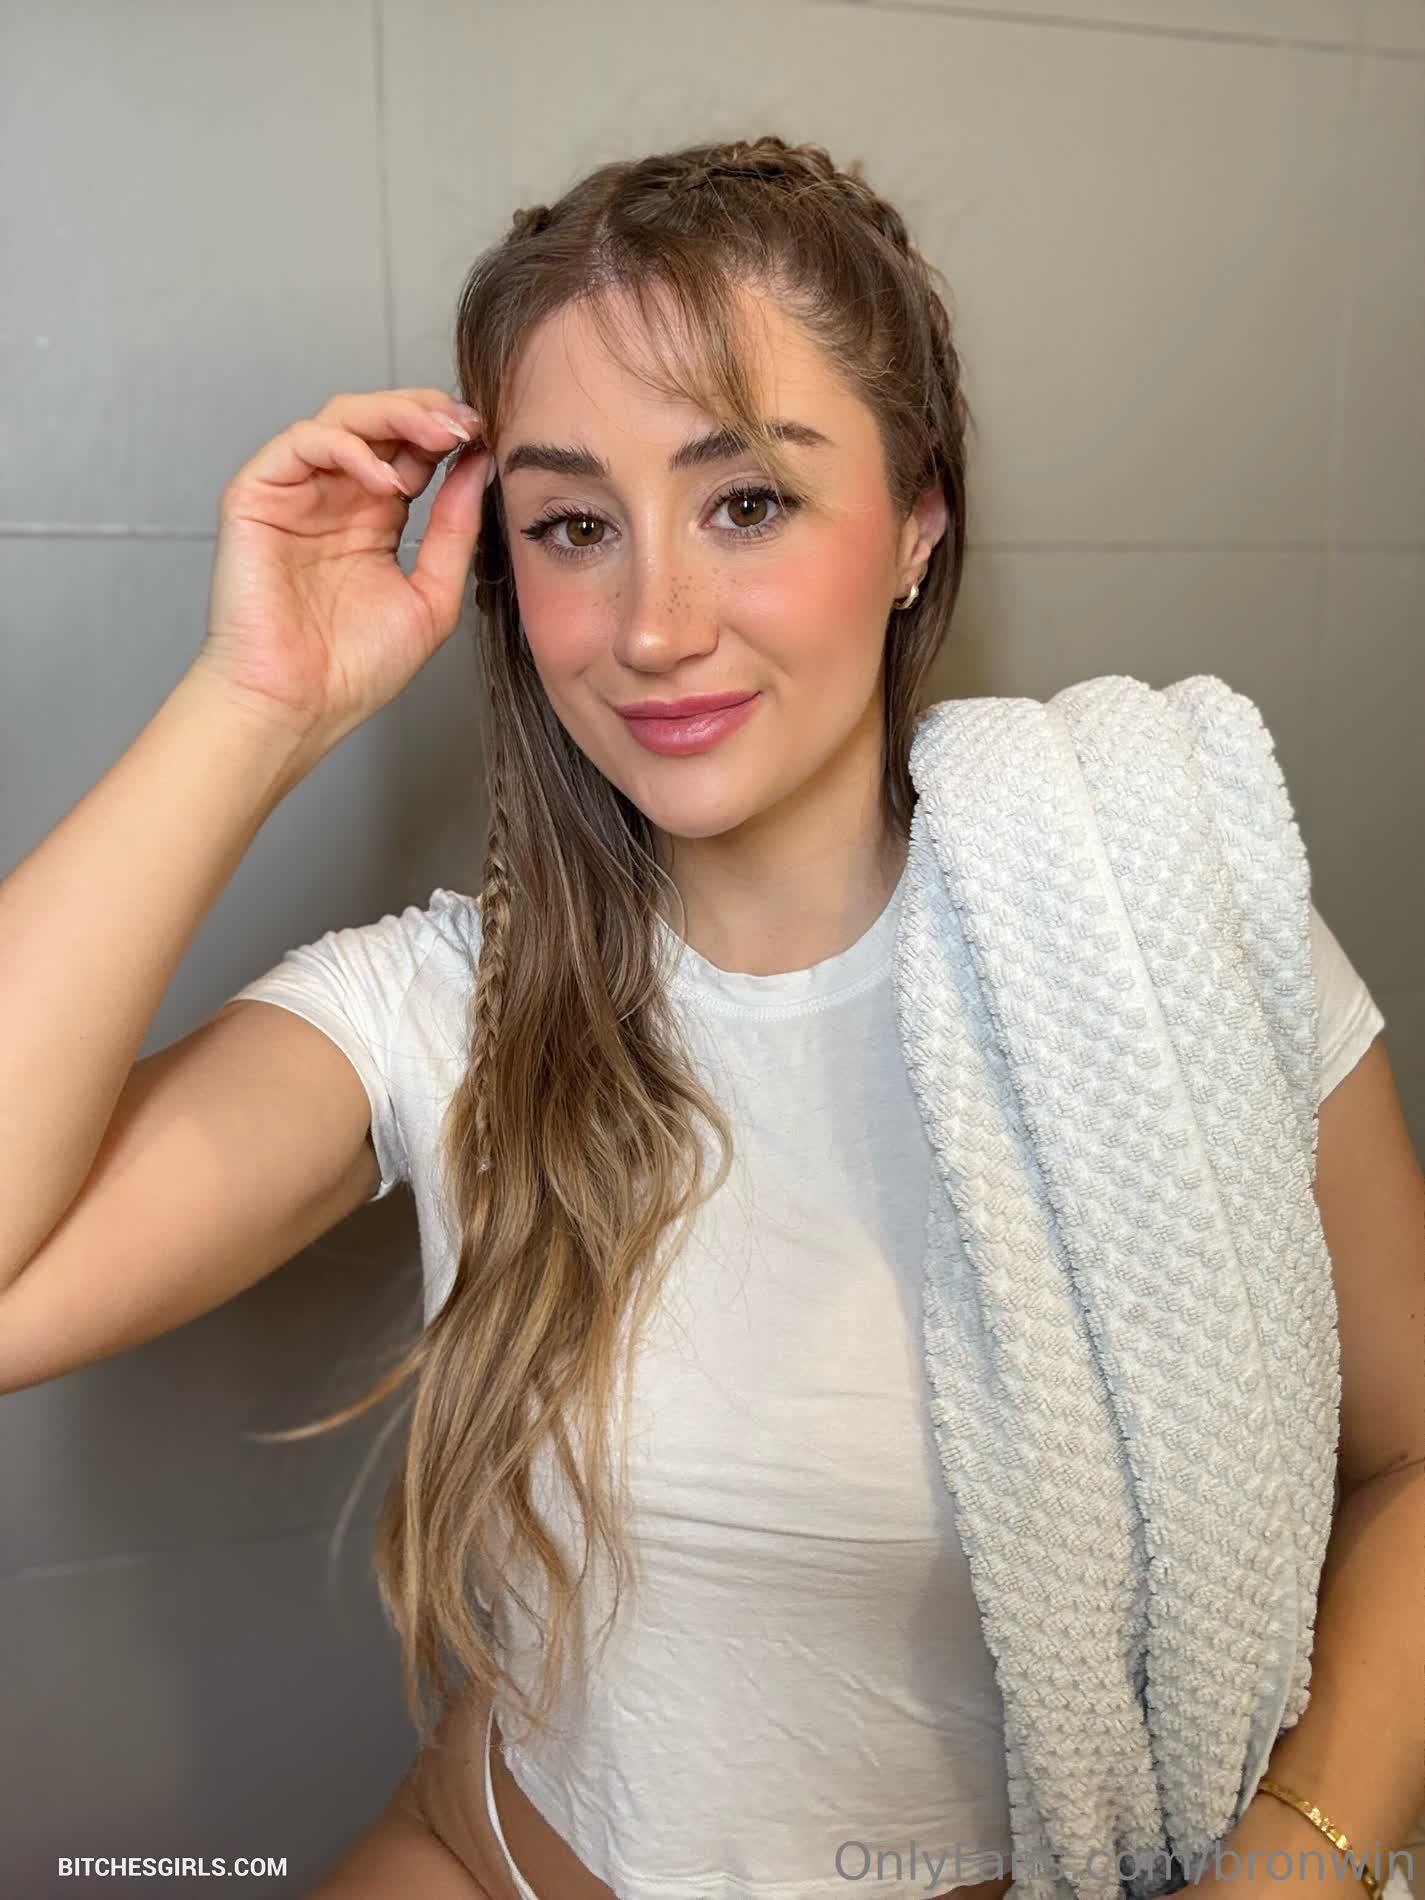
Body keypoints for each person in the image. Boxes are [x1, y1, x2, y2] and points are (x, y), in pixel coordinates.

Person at [0, 138, 1404, 1900]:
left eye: (744, 502)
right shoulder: (445, 1008)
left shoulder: (1160, 948)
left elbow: (1413, 1460)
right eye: (573, 527)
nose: (653, 627)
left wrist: (1296, 1857)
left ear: (914, 526)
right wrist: (254, 699)